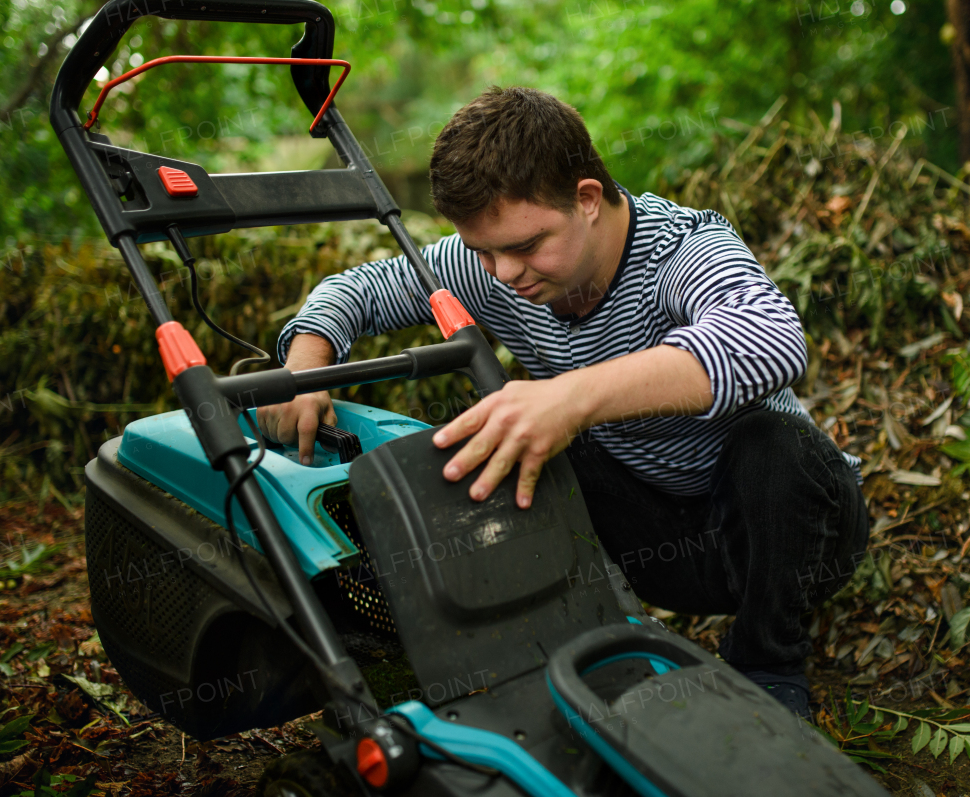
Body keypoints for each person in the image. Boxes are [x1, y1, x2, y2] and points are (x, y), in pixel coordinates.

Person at [256, 86, 869, 719]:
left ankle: (769, 664)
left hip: (797, 538)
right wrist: (305, 368)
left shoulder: (681, 249)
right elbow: (357, 288)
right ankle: (556, 648)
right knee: (513, 441)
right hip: (662, 543)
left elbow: (769, 337)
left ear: (586, 199)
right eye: (481, 250)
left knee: (774, 442)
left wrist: (570, 397)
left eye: (524, 247)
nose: (502, 273)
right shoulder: (493, 268)